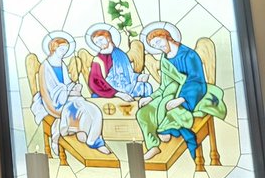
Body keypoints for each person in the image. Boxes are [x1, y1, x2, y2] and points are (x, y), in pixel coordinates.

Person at [136, 24, 226, 160]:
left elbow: (196, 80)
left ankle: (164, 129)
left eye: (159, 42)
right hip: (169, 91)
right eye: (154, 45)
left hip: (188, 92)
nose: (158, 47)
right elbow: (164, 86)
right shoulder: (164, 59)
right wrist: (151, 97)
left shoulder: (189, 55)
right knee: (143, 113)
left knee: (167, 105)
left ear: (167, 37)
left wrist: (182, 99)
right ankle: (153, 145)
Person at [32, 35, 110, 156]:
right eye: (62, 50)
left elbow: (67, 83)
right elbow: (45, 90)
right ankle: (90, 138)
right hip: (54, 102)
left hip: (68, 98)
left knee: (94, 110)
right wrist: (65, 92)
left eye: (66, 50)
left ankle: (89, 136)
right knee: (79, 108)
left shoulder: (62, 64)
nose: (64, 53)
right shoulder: (45, 67)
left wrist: (74, 87)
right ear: (54, 49)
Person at [85, 26, 151, 101]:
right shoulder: (98, 59)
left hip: (126, 86)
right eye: (96, 42)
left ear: (108, 38)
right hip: (108, 89)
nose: (99, 44)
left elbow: (128, 74)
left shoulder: (120, 54)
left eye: (100, 40)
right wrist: (117, 93)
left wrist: (138, 77)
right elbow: (95, 81)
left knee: (146, 87)